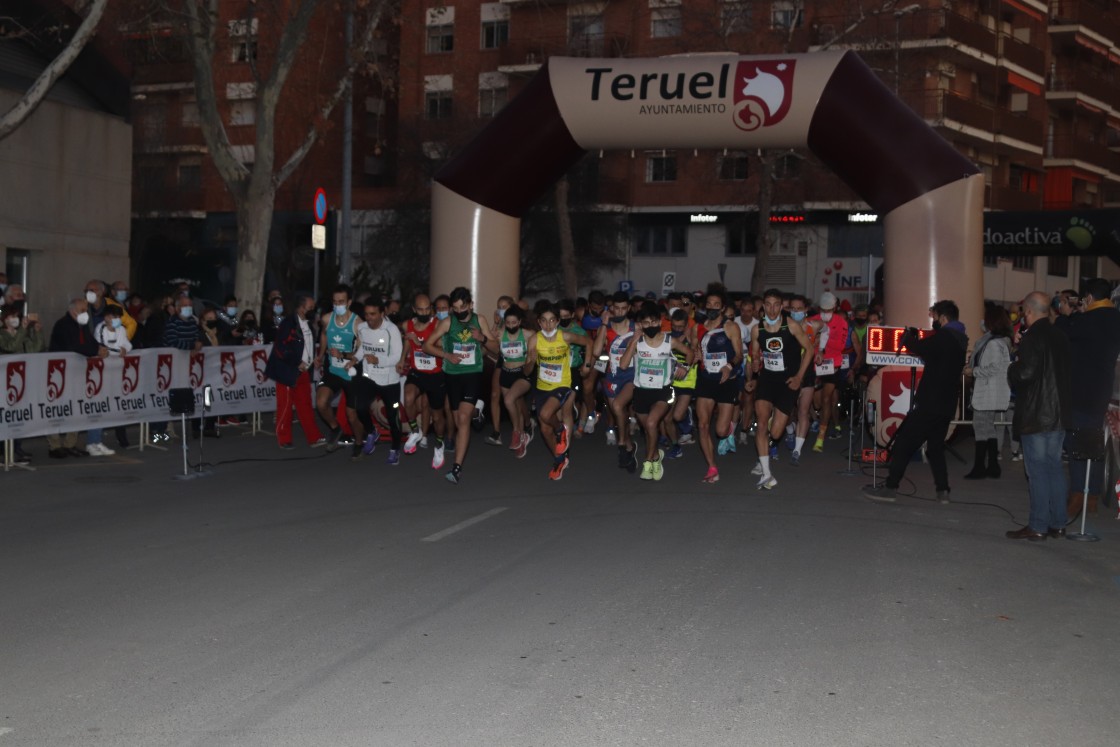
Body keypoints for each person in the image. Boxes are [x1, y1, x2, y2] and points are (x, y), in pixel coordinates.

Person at [864, 300, 968, 503]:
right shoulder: (961, 339)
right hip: (946, 405)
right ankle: (943, 491)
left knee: (903, 443)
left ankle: (891, 487)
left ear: (943, 318)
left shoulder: (945, 336)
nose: (934, 321)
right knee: (935, 448)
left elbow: (920, 347)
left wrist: (908, 338)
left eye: (935, 317)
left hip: (930, 403)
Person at [1005, 291, 1072, 540]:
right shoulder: (1061, 336)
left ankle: (1038, 525)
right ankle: (1058, 523)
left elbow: (1025, 374)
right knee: (1054, 467)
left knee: (1037, 470)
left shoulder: (1032, 337)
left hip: (1037, 413)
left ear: (1029, 312)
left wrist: (1013, 365)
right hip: (1058, 413)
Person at [1055, 278, 1120, 517]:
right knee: (1093, 444)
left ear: (1089, 298)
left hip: (1080, 391)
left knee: (1076, 445)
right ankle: (1092, 495)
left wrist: (1065, 314)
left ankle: (1078, 495)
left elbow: (1062, 333)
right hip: (1101, 390)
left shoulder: (1085, 320)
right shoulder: (1115, 318)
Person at [423, 286, 498, 484]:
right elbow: (427, 345)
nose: (459, 312)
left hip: (472, 373)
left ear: (471, 305)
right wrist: (446, 355)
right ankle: (477, 411)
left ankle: (456, 467)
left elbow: (496, 349)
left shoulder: (479, 320)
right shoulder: (447, 322)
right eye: (455, 308)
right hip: (452, 376)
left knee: (463, 419)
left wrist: (482, 338)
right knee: (459, 421)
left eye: (462, 307)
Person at [746, 289, 813, 489]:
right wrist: (755, 370)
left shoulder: (791, 325)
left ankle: (770, 445)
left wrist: (799, 377)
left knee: (775, 433)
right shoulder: (757, 330)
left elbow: (809, 350)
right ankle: (766, 473)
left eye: (776, 304)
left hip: (788, 382)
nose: (772, 309)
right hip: (767, 380)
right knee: (761, 422)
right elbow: (756, 355)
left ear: (781, 306)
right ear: (763, 306)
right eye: (768, 304)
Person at [618, 302, 693, 480]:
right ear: (640, 324)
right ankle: (656, 456)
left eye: (653, 322)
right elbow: (622, 365)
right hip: (641, 392)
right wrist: (634, 341)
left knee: (652, 423)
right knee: (648, 429)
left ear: (659, 322)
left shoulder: (669, 341)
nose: (650, 326)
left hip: (663, 391)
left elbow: (690, 353)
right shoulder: (637, 342)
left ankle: (648, 462)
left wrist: (686, 366)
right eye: (646, 323)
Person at [526, 304, 590, 479]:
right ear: (539, 322)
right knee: (545, 429)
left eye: (552, 321)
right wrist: (530, 362)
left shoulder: (566, 336)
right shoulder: (534, 340)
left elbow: (588, 342)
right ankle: (559, 459)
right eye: (544, 321)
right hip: (542, 387)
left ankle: (561, 430)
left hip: (562, 384)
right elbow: (526, 371)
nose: (548, 325)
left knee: (547, 415)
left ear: (558, 322)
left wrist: (587, 364)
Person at [692, 286, 743, 484]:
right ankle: (712, 467)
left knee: (720, 431)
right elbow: (697, 352)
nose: (712, 307)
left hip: (725, 381)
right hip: (706, 379)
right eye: (709, 304)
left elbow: (739, 354)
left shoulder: (730, 327)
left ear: (722, 309)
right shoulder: (698, 328)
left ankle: (729, 428)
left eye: (716, 305)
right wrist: (695, 357)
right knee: (703, 425)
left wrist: (729, 366)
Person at [265, 294, 327, 450]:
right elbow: (281, 348)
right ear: (301, 307)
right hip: (287, 371)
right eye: (311, 307)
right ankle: (284, 438)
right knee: (285, 406)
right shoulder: (289, 323)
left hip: (304, 370)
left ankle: (314, 437)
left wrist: (314, 359)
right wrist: (296, 362)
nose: (313, 311)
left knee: (305, 405)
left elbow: (306, 346)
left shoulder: (309, 325)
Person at [48, 298, 108, 458]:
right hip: (60, 373)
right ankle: (54, 446)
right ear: (72, 310)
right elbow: (74, 346)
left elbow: (89, 341)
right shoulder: (63, 325)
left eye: (86, 309)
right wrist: (94, 351)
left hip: (77, 373)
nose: (85, 313)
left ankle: (70, 444)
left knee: (75, 408)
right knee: (57, 409)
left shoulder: (82, 325)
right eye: (82, 310)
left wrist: (100, 348)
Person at [350, 299, 406, 464]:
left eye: (373, 314)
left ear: (382, 314)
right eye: (366, 314)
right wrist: (354, 359)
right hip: (370, 376)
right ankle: (372, 431)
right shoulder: (362, 328)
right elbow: (363, 349)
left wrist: (378, 360)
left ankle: (395, 449)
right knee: (359, 407)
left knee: (393, 415)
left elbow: (397, 356)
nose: (369, 318)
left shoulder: (392, 330)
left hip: (389, 380)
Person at [964, 304, 1013, 480]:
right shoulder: (1001, 341)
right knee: (989, 428)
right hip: (993, 391)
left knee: (980, 427)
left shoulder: (993, 343)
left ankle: (980, 467)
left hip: (987, 390)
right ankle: (992, 465)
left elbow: (992, 368)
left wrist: (972, 371)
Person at [590, 291, 638, 470]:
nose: (620, 312)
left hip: (632, 375)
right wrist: (603, 323)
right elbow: (595, 352)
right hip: (612, 375)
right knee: (619, 413)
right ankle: (629, 445)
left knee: (618, 407)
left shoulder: (636, 327)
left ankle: (622, 445)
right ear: (611, 309)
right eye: (616, 308)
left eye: (623, 308)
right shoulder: (607, 327)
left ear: (629, 308)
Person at [402, 293, 449, 469]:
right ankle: (415, 431)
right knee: (408, 398)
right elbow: (408, 341)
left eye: (427, 308)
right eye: (420, 309)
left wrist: (421, 344)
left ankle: (439, 443)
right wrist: (401, 359)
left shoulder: (438, 324)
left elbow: (444, 347)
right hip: (417, 371)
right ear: (414, 309)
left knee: (437, 416)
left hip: (436, 374)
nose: (424, 312)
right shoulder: (408, 325)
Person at [316, 284, 363, 449]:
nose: (338, 306)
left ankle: (358, 442)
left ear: (349, 302)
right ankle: (336, 429)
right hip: (333, 370)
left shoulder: (357, 323)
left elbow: (361, 351)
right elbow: (323, 334)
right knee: (321, 402)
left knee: (351, 416)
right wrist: (321, 355)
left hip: (350, 372)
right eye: (335, 302)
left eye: (341, 302)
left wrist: (344, 355)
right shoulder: (327, 319)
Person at [0, 304, 45, 463]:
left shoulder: (22, 333)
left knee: (18, 414)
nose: (15, 320)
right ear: (4, 318)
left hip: (19, 380)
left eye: (17, 317)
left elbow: (34, 350)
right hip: (3, 381)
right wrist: (22, 331)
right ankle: (4, 449)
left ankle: (16, 447)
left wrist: (37, 333)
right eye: (12, 317)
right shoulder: (2, 335)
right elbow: (10, 347)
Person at [808, 291, 850, 453]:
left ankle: (821, 437)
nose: (825, 313)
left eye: (829, 310)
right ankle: (818, 421)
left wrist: (823, 336)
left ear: (834, 308)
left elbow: (840, 346)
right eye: (823, 310)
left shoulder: (841, 323)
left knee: (827, 399)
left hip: (833, 364)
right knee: (817, 402)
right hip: (814, 365)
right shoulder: (812, 321)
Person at [493, 305, 533, 454]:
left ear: (520, 321)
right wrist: (496, 323)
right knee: (514, 405)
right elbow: (489, 341)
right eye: (508, 323)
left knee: (509, 400)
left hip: (522, 374)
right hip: (506, 373)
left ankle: (516, 432)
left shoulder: (528, 335)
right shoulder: (500, 333)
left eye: (514, 323)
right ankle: (522, 438)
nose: (511, 326)